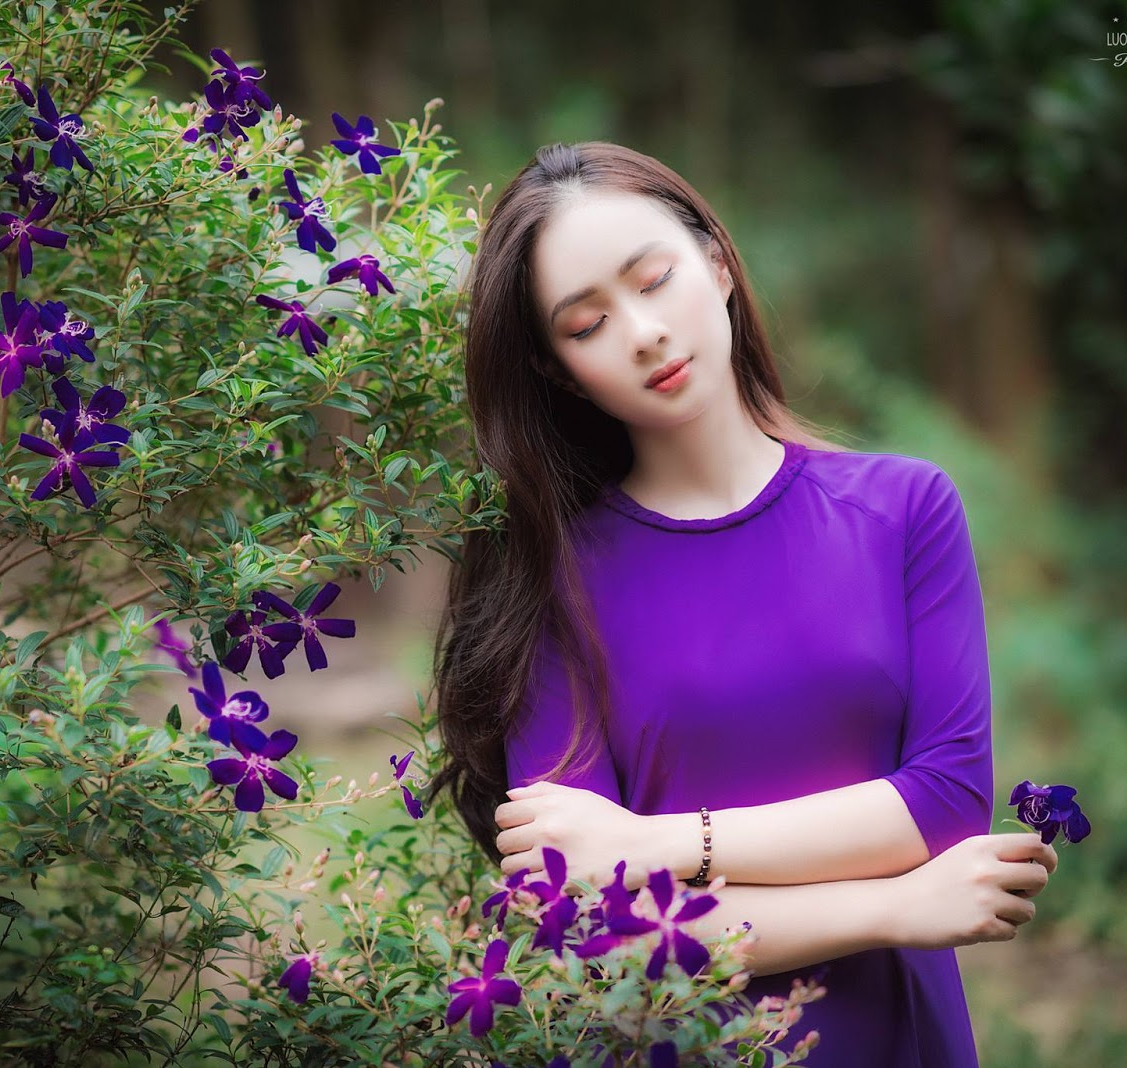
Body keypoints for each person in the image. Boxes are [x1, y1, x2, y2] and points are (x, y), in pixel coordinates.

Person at [427, 141, 1058, 1067]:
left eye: (654, 278)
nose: (641, 331)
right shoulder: (549, 582)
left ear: (717, 262)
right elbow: (595, 931)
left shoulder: (903, 510)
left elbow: (944, 802)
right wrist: (893, 904)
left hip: (896, 1037)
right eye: (587, 322)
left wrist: (655, 845)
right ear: (560, 370)